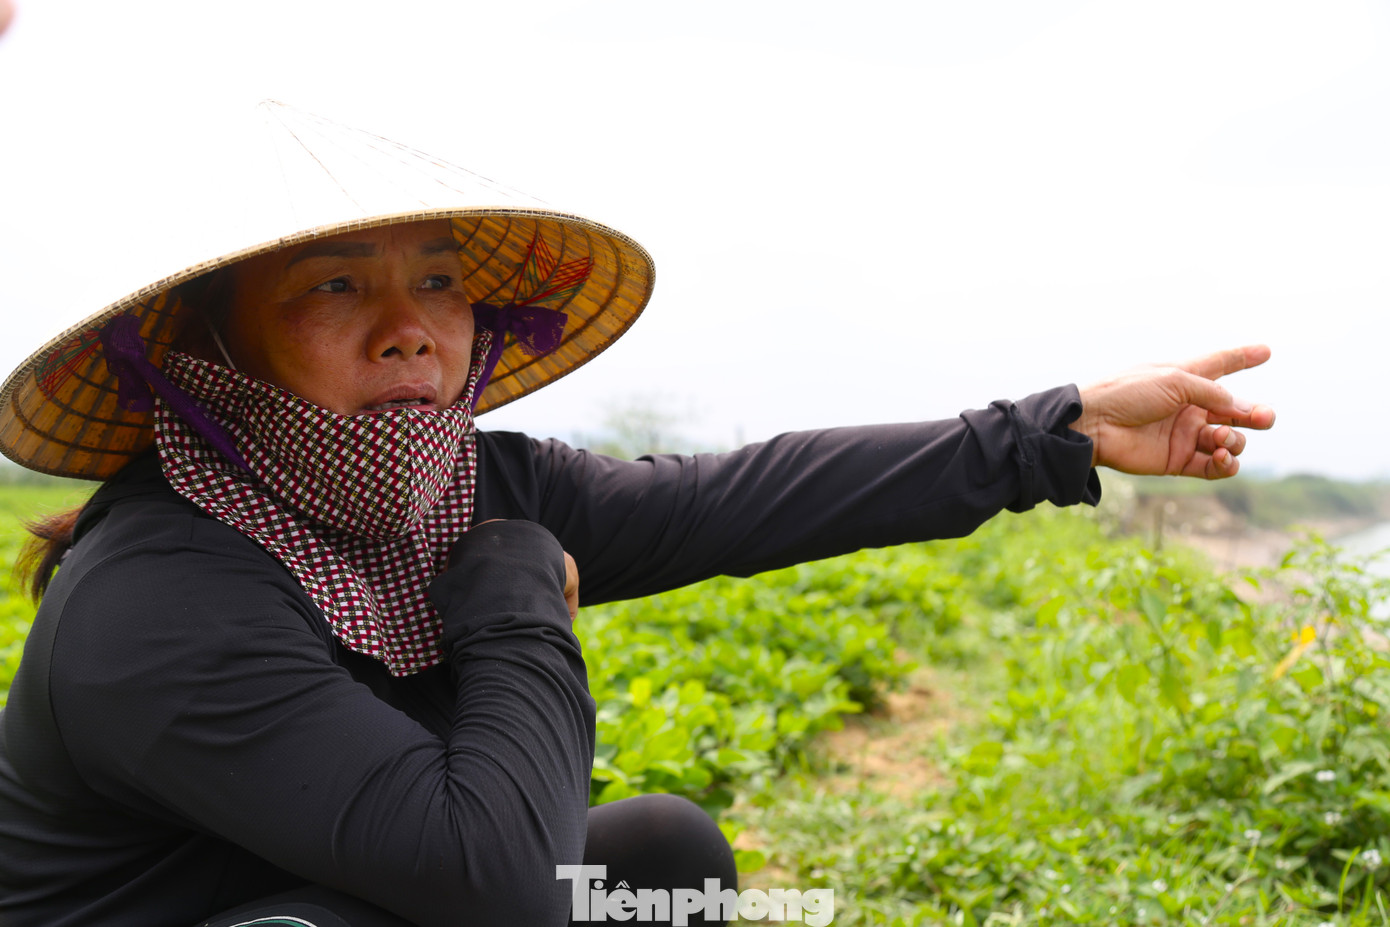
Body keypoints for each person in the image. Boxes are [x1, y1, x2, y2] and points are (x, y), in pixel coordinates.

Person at [0, 205, 1273, 927]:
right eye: (335, 289)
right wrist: (513, 608)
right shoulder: (160, 600)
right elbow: (493, 880)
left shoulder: (473, 486)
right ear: (211, 355)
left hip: (346, 890)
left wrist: (1048, 435)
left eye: (437, 285)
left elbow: (738, 499)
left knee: (657, 861)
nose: (410, 332)